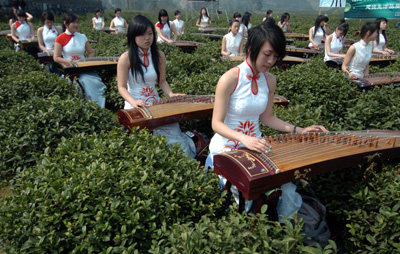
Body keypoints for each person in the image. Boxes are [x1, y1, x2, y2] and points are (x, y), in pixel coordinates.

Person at [206, 22, 328, 213]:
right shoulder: (229, 78)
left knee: (285, 187)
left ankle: (284, 230)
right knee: (245, 194)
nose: (271, 61)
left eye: (276, 56)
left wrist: (299, 130)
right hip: (228, 146)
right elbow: (216, 123)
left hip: (257, 145)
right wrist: (244, 138)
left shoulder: (269, 80)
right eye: (267, 54)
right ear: (251, 49)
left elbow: (268, 118)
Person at [117, 14, 196, 158]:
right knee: (141, 145)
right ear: (133, 36)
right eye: (141, 34)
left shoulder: (159, 55)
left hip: (155, 103)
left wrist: (171, 94)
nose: (147, 38)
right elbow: (121, 87)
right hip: (135, 105)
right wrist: (134, 102)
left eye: (150, 33)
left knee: (174, 139)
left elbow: (162, 81)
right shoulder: (126, 58)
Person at [54, 13, 106, 108]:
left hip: (84, 68)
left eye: (77, 22)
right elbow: (56, 57)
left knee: (97, 83)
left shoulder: (82, 36)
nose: (76, 25)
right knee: (85, 82)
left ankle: (99, 107)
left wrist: (87, 62)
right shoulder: (60, 38)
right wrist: (68, 62)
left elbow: (91, 52)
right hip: (71, 70)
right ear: (65, 23)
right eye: (73, 22)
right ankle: (90, 107)